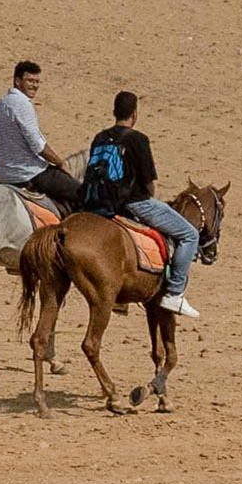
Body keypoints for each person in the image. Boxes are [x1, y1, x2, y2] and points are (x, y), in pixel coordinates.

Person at [79, 89, 199, 317]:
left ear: (115, 112)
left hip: (98, 204)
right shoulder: (138, 140)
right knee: (189, 235)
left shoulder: (100, 137)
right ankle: (175, 293)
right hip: (132, 203)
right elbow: (148, 183)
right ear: (134, 115)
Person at [0, 60, 79, 209]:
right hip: (28, 174)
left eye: (37, 81)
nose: (35, 85)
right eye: (30, 81)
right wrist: (60, 163)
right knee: (83, 193)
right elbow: (38, 145)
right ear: (18, 81)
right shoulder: (22, 104)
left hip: (2, 175)